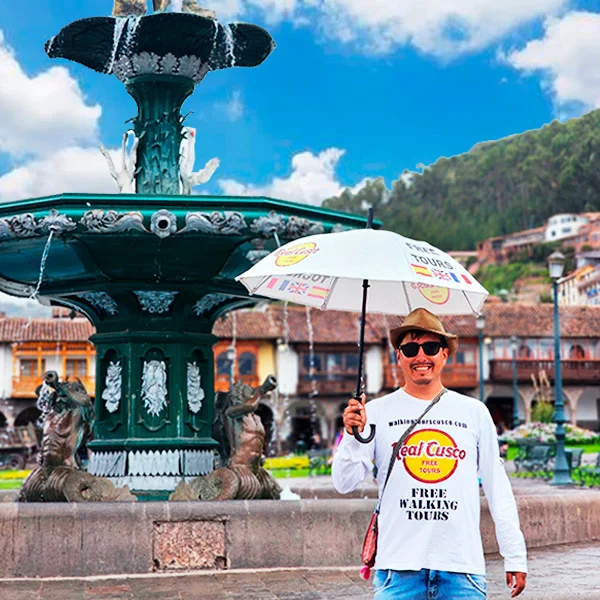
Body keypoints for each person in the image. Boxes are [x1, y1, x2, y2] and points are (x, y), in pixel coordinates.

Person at [332, 308, 527, 599]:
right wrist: (350, 435)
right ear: (398, 356)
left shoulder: (473, 412)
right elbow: (344, 483)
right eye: (411, 349)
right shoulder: (375, 412)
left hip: (461, 570)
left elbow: (497, 486)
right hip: (397, 571)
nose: (421, 356)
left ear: (445, 354)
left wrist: (515, 555)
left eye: (431, 348)